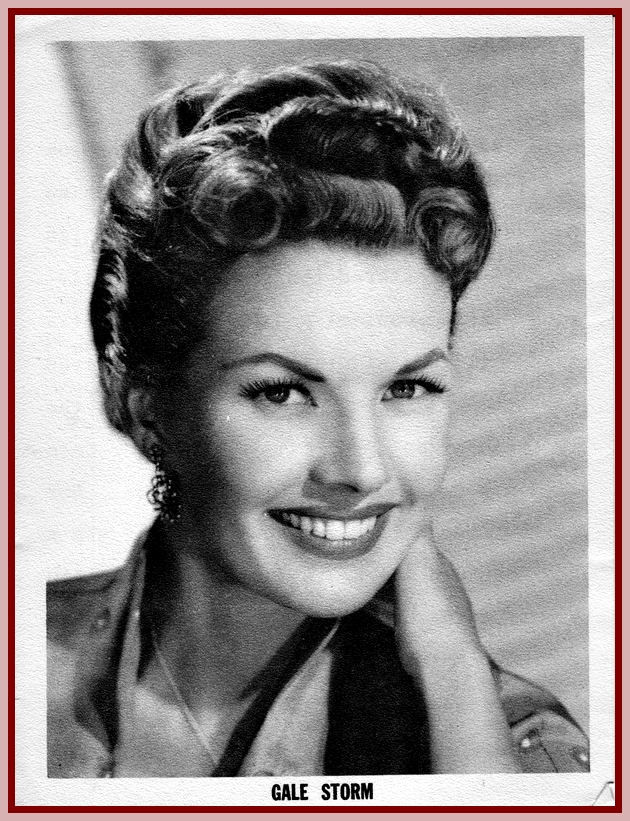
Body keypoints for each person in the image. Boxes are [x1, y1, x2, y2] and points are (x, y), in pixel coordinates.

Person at [47, 60, 589, 778]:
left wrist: (454, 676)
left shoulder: (513, 749)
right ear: (148, 411)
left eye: (408, 387)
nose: (361, 469)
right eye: (283, 392)